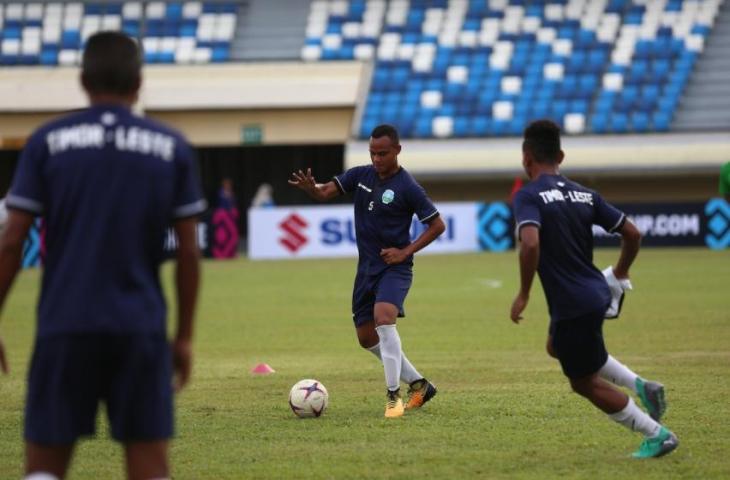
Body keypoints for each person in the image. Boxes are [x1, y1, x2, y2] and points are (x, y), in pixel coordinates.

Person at [0, 31, 205, 480]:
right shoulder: (170, 147)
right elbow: (189, 251)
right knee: (150, 468)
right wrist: (184, 336)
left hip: (64, 326)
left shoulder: (46, 141)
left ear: (83, 80)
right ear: (138, 83)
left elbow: (12, 240)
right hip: (139, 328)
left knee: (44, 469)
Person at [509, 119, 679, 458]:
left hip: (572, 302)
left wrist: (524, 293)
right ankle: (642, 386)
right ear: (561, 155)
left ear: (526, 158)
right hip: (594, 292)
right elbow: (633, 233)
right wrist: (620, 271)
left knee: (583, 381)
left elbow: (530, 244)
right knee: (556, 346)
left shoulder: (528, 195)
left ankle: (657, 434)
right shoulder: (585, 193)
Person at [288, 124, 445, 418]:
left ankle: (392, 397)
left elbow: (438, 225)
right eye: (373, 153)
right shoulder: (361, 175)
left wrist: (405, 251)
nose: (376, 159)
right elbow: (325, 192)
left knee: (384, 320)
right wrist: (313, 189)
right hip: (367, 269)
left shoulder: (408, 187)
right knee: (366, 337)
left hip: (394, 267)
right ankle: (420, 385)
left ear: (397, 150)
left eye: (383, 153)